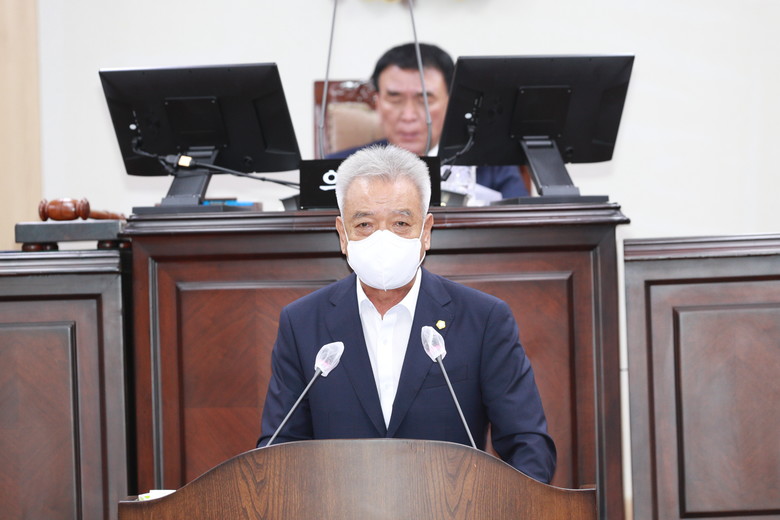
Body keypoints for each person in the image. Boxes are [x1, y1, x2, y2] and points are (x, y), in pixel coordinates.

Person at [258, 144, 556, 483]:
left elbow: (529, 446)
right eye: (365, 224)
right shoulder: (302, 323)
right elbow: (278, 450)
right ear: (343, 235)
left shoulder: (483, 319)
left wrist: (505, 506)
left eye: (400, 222)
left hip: (452, 506)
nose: (382, 238)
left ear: (425, 232)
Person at [326, 42, 528, 202]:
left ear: (451, 103)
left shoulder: (491, 167)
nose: (408, 116)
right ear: (377, 103)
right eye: (395, 99)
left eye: (424, 100)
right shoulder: (340, 168)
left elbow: (522, 231)